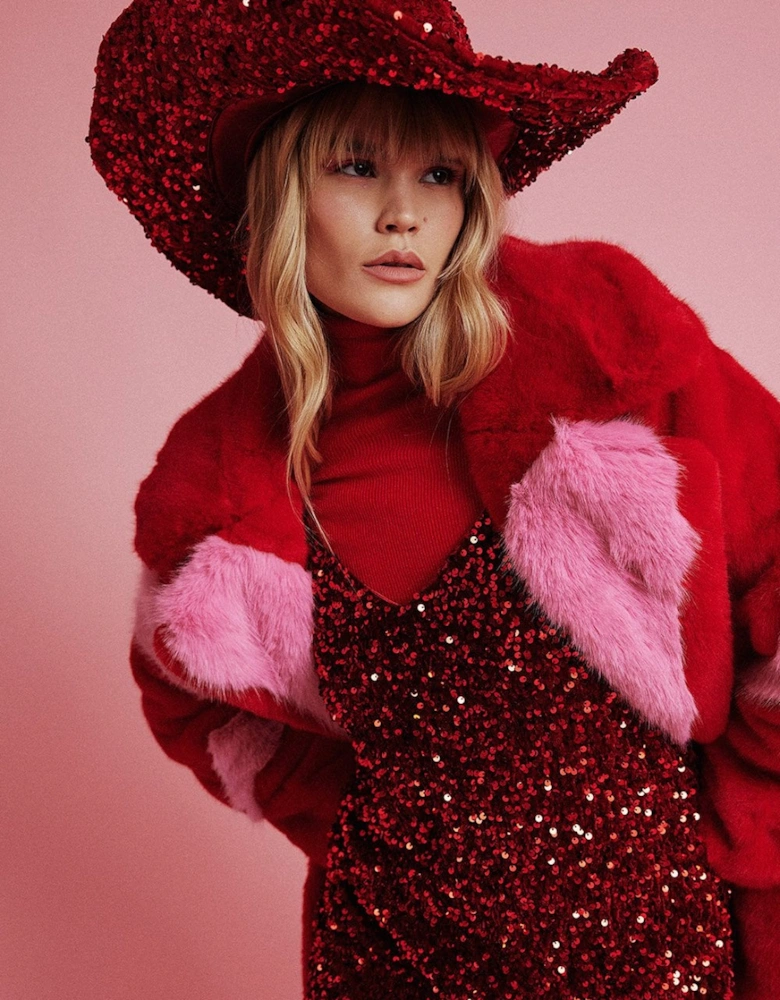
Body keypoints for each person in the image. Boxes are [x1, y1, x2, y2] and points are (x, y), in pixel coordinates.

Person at [89, 1, 780, 997]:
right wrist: (380, 836)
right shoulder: (223, 485)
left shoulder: (608, 349)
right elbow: (199, 707)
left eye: (441, 174)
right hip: (385, 966)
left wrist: (738, 841)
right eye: (358, 166)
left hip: (658, 956)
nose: (404, 213)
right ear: (279, 191)